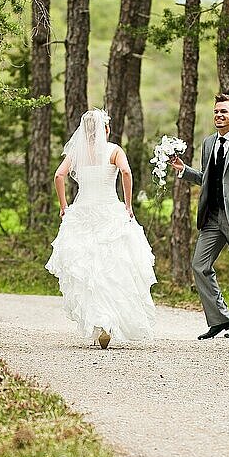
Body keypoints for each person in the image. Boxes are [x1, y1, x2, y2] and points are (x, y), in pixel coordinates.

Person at [45, 108, 156, 349]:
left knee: (87, 270)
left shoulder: (76, 154)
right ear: (106, 129)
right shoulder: (114, 150)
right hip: (109, 210)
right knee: (113, 267)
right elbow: (126, 171)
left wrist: (64, 206)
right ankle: (107, 322)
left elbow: (58, 176)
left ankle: (97, 323)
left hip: (82, 212)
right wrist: (127, 205)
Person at [170, 94, 229, 339]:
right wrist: (184, 171)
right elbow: (207, 179)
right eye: (216, 112)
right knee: (199, 266)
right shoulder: (209, 143)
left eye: (224, 112)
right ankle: (220, 319)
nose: (219, 115)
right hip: (211, 218)